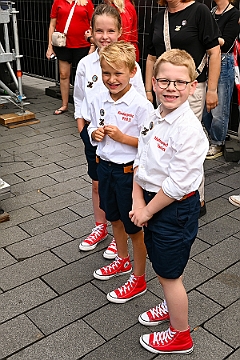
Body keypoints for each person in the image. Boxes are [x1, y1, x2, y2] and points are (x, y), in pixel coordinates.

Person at [129, 49, 209, 353]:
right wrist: (138, 199)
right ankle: (169, 304)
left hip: (173, 209)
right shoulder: (154, 113)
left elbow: (177, 185)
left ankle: (180, 335)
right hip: (152, 202)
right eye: (164, 81)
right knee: (168, 266)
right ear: (152, 81)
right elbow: (142, 158)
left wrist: (147, 210)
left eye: (179, 82)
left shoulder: (189, 131)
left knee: (169, 274)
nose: (171, 88)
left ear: (192, 87)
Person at [74, 4, 146, 260]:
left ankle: (121, 238)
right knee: (97, 183)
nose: (104, 36)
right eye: (99, 31)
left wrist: (125, 136)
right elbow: (80, 99)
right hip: (94, 134)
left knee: (121, 189)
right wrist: (84, 129)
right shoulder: (85, 64)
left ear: (120, 32)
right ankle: (100, 227)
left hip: (122, 141)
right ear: (91, 32)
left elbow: (138, 100)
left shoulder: (129, 63)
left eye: (110, 31)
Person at [87, 41, 154, 303]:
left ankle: (139, 278)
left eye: (118, 73)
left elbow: (148, 144)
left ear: (132, 73)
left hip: (128, 174)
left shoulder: (141, 105)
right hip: (105, 168)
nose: (112, 79)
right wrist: (94, 132)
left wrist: (124, 138)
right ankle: (122, 260)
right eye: (106, 73)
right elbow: (93, 124)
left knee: (134, 227)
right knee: (113, 216)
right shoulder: (99, 98)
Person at [144, 0, 221, 217]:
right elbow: (151, 57)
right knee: (166, 141)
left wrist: (212, 89)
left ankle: (196, 198)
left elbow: (214, 52)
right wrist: (148, 90)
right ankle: (167, 192)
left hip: (191, 90)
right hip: (164, 90)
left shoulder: (200, 11)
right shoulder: (159, 18)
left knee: (186, 142)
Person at [202, 0, 240, 159]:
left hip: (224, 62)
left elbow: (226, 43)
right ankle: (210, 139)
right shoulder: (211, 12)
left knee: (220, 108)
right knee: (206, 107)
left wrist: (205, 34)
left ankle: (218, 142)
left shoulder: (234, 14)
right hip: (208, 60)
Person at [46, 0, 94, 115]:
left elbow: (93, 24)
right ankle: (64, 104)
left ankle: (84, 107)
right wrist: (50, 46)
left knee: (83, 77)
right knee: (63, 75)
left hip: (83, 45)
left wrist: (92, 44)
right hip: (63, 44)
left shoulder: (86, 2)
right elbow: (52, 24)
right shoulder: (58, 1)